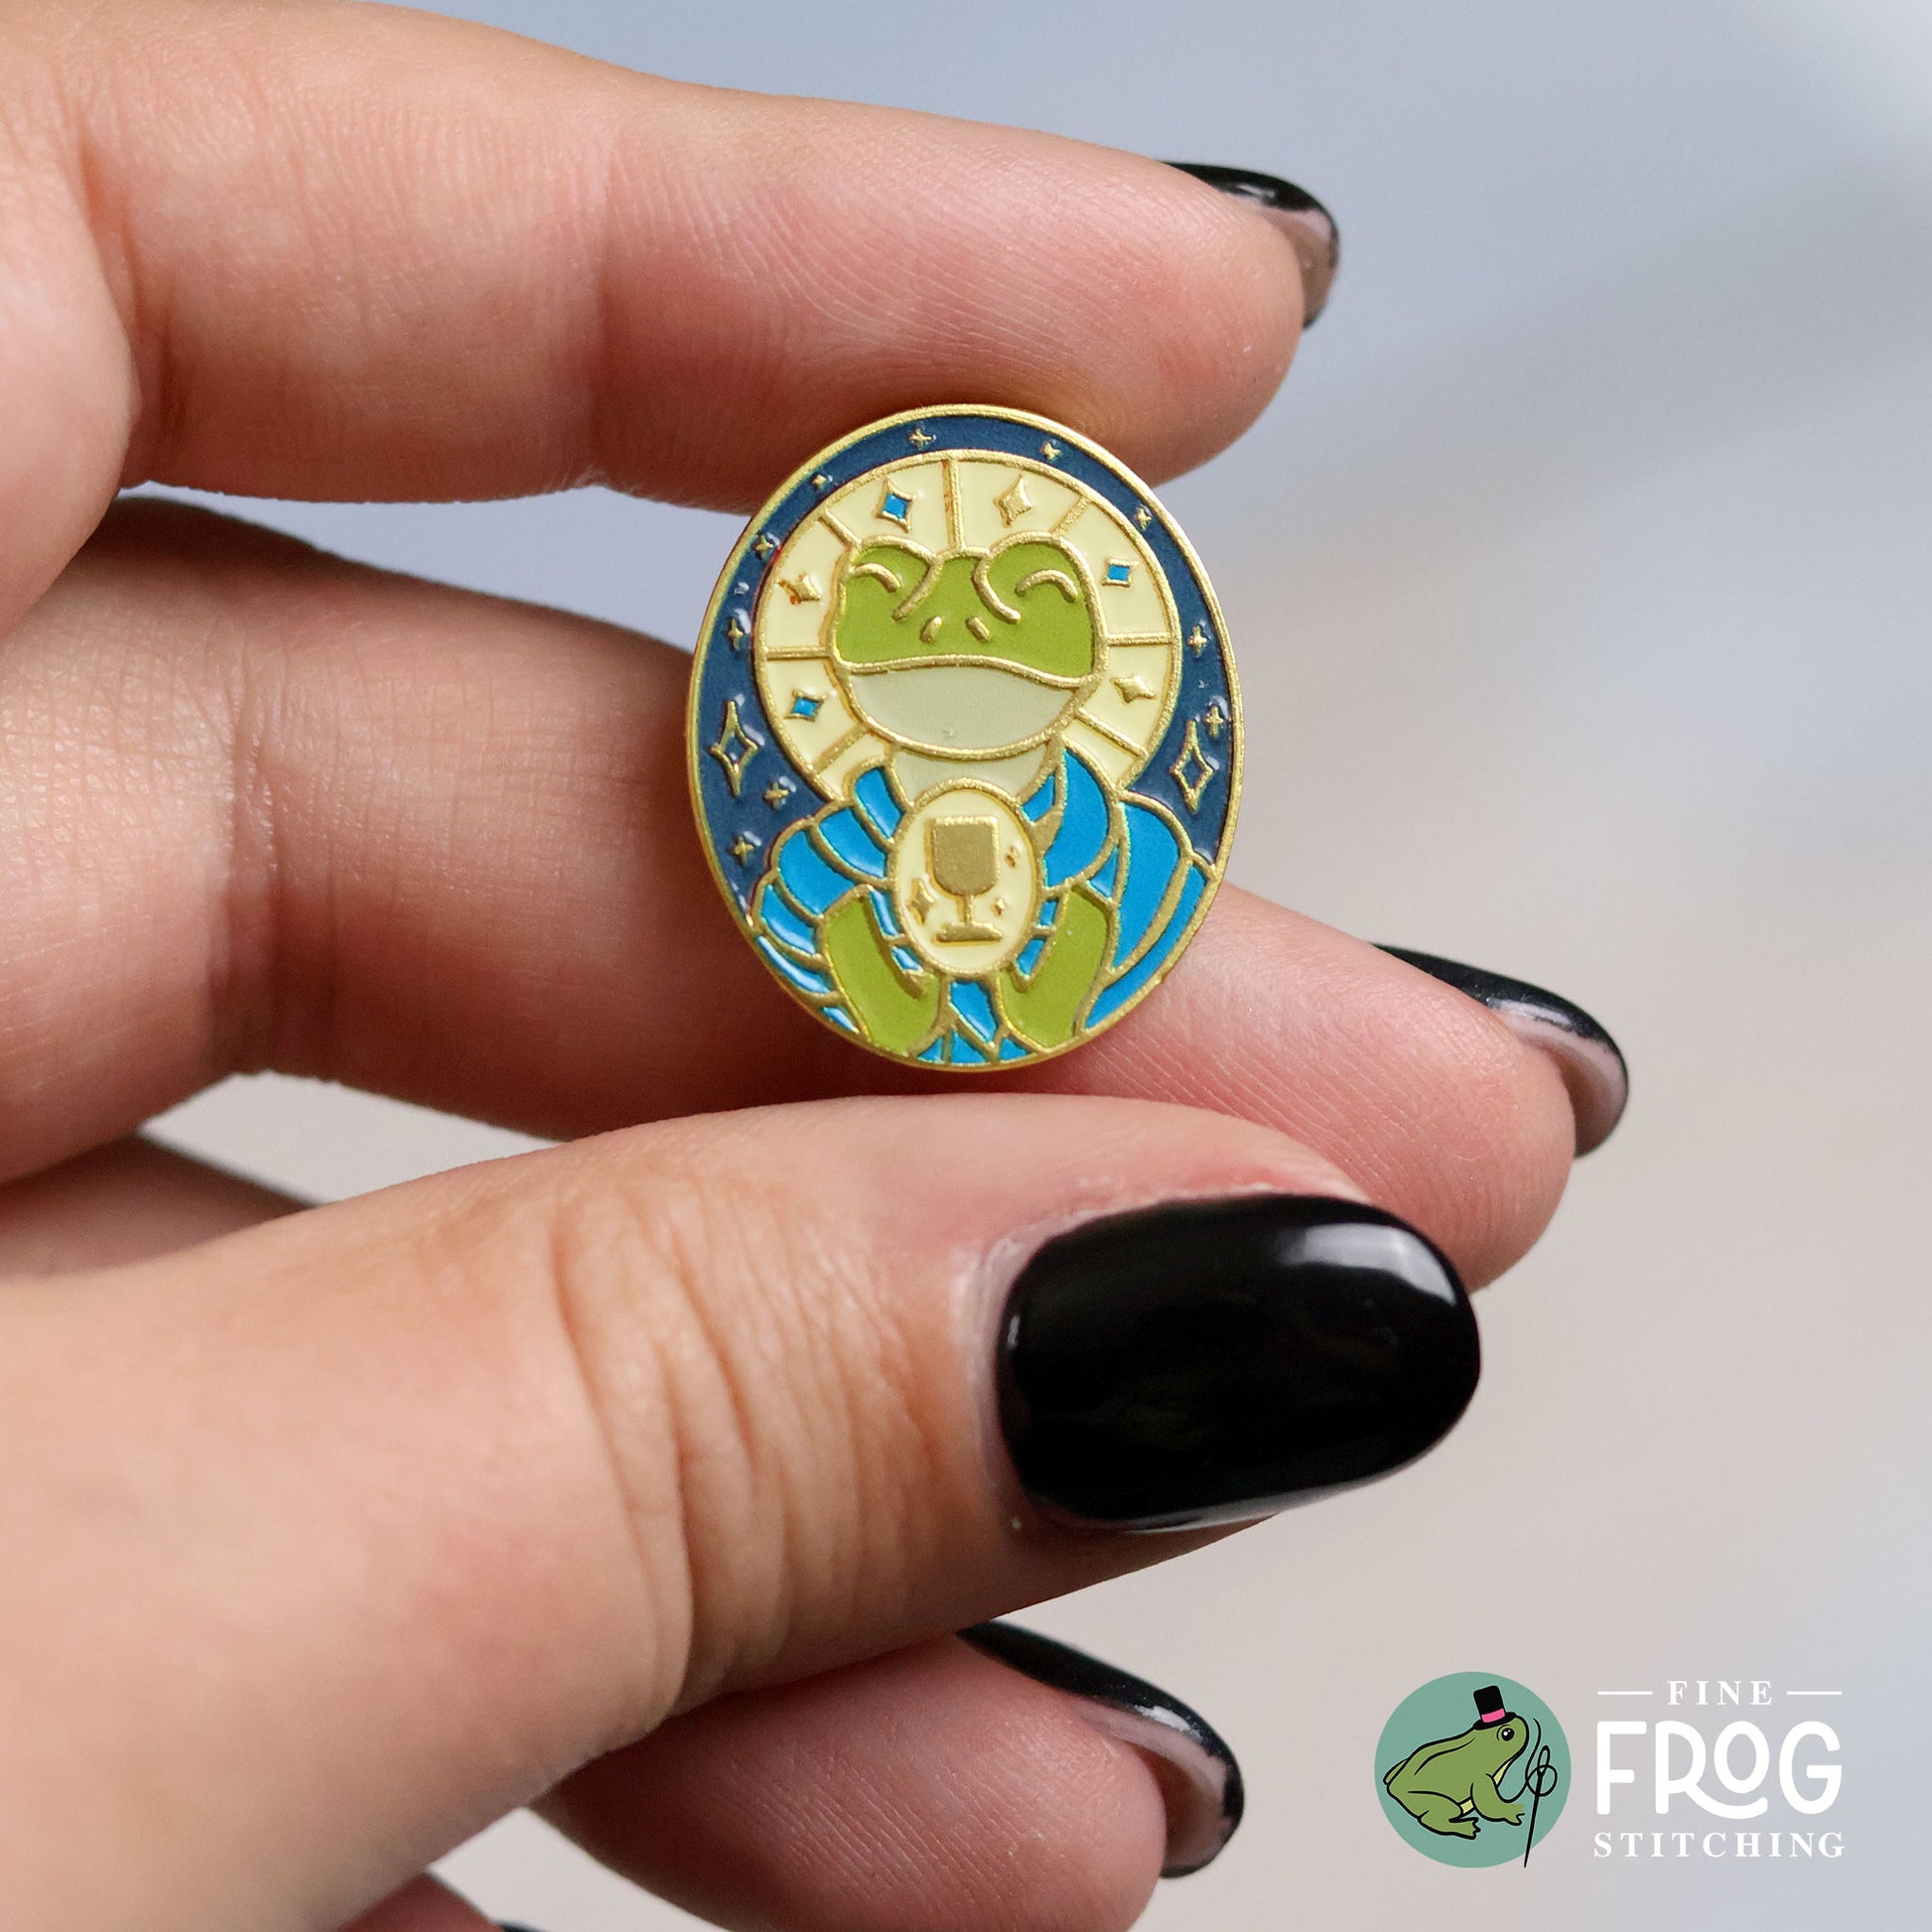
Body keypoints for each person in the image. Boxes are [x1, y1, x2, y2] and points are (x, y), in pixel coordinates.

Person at [0, 5, 1625, 1928]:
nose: (959, 633)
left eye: (1015, 606)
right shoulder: (867, 840)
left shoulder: (1078, 843)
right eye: (914, 608)